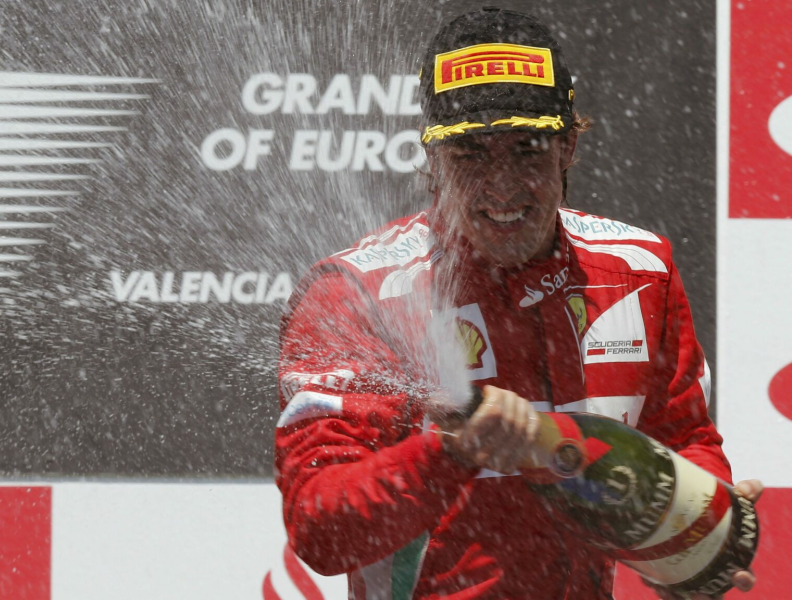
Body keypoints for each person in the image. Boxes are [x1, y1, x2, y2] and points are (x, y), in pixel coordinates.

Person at [274, 7, 761, 600]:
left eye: (528, 148)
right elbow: (320, 530)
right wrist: (450, 454)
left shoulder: (639, 270)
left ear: (569, 147)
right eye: (471, 153)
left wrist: (694, 539)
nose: (502, 186)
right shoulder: (356, 295)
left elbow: (684, 440)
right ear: (432, 160)